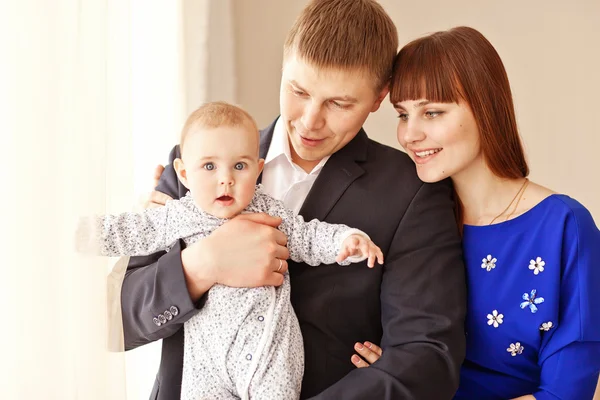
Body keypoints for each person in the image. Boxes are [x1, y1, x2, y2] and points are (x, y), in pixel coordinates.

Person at [123, 1, 467, 399]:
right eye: (298, 91)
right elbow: (116, 320)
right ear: (284, 67)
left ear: (378, 98)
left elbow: (427, 356)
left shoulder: (412, 194)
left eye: (339, 103)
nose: (309, 120)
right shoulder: (199, 160)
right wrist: (200, 267)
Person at [351, 26, 600, 400]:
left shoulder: (564, 227)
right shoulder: (409, 221)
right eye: (403, 115)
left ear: (486, 108)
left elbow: (568, 394)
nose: (409, 135)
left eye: (432, 112)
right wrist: (397, 377)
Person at [79, 101, 383, 400]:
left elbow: (308, 236)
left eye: (240, 166)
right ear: (184, 174)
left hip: (269, 350)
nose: (226, 179)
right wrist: (74, 232)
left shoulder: (269, 210)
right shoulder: (177, 215)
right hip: (206, 361)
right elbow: (128, 230)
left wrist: (347, 240)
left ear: (258, 169)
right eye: (209, 166)